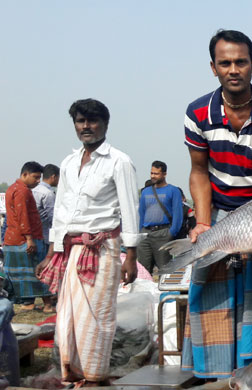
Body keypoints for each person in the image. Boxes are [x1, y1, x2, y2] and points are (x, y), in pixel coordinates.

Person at [182, 30, 252, 378]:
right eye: (225, 63)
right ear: (213, 67)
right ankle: (211, 377)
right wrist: (202, 223)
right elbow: (199, 172)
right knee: (209, 295)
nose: (233, 69)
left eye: (241, 62)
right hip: (215, 213)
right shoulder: (197, 112)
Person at [35, 99, 141, 386]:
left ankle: (94, 375)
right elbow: (61, 212)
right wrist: (52, 251)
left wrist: (131, 256)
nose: (86, 126)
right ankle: (72, 373)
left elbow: (130, 210)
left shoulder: (119, 161)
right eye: (80, 121)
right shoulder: (69, 163)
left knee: (97, 315)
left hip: (103, 249)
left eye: (92, 121)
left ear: (105, 124)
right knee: (68, 313)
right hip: (72, 249)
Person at [4, 161, 53, 312]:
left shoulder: (12, 188)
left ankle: (28, 303)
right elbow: (23, 216)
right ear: (24, 174)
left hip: (13, 239)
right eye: (35, 177)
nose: (38, 181)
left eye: (39, 178)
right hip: (26, 239)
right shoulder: (22, 191)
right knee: (39, 270)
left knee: (21, 273)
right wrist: (29, 239)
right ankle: (48, 305)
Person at [136, 160, 183, 274]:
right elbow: (141, 213)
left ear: (164, 174)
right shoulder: (146, 192)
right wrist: (140, 232)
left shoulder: (173, 191)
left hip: (163, 234)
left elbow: (178, 214)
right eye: (151, 173)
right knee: (143, 270)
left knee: (165, 270)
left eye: (156, 173)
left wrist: (171, 233)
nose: (153, 176)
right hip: (145, 234)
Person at [32, 164, 59, 247]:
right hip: (44, 237)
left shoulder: (34, 190)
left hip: (34, 235)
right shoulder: (48, 193)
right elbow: (52, 217)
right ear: (53, 177)